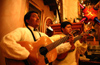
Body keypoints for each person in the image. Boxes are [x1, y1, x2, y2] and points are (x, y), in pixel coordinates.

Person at [0, 11, 73, 65]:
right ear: (27, 20)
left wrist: (69, 43)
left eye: (38, 16)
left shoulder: (43, 35)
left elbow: (55, 49)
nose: (38, 18)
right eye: (34, 16)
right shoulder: (22, 31)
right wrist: (27, 55)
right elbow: (6, 42)